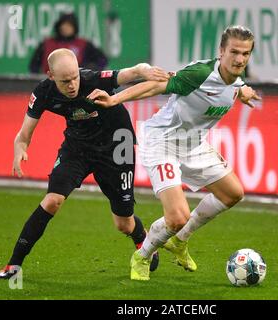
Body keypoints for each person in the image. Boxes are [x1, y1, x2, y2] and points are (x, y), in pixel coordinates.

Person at [89, 25, 261, 281]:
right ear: (221, 51)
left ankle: (180, 241)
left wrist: (243, 90)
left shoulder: (236, 77)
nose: (239, 59)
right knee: (178, 216)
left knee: (233, 193)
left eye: (245, 54)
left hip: (193, 145)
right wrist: (115, 100)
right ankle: (143, 255)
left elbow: (236, 83)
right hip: (163, 143)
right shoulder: (200, 74)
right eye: (234, 52)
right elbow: (157, 85)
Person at [0, 48, 170, 279]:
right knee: (52, 201)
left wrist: (149, 72)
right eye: (65, 81)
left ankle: (140, 238)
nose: (72, 85)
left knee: (123, 223)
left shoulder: (93, 79)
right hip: (78, 147)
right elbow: (24, 134)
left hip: (117, 143)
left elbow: (133, 71)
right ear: (50, 76)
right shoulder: (43, 93)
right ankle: (13, 265)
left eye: (75, 77)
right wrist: (20, 150)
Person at [29, 12, 108, 74]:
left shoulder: (84, 45)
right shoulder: (47, 44)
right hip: (50, 84)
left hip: (76, 85)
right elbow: (34, 65)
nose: (65, 28)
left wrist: (87, 71)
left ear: (74, 27)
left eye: (69, 25)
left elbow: (102, 60)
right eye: (63, 24)